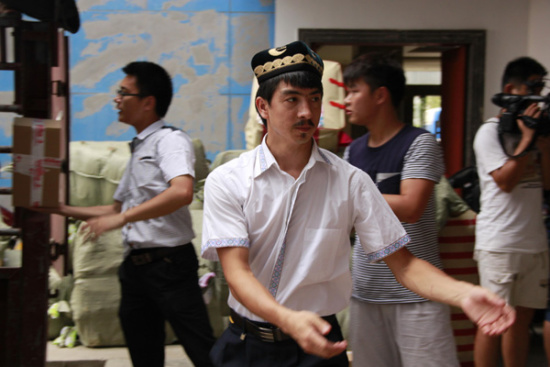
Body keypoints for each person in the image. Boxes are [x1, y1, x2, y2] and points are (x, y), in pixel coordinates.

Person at [201, 40, 515, 367]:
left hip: (320, 346)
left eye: (314, 99)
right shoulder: (229, 180)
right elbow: (237, 272)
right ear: (263, 107)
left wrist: (463, 294)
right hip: (248, 345)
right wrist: (288, 319)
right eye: (291, 100)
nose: (306, 112)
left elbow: (404, 265)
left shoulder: (350, 181)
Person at [44, 61, 215, 367]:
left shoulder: (170, 141)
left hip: (169, 265)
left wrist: (121, 219)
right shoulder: (139, 148)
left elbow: (181, 192)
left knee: (201, 348)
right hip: (135, 269)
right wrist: (59, 209)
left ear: (148, 102)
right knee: (143, 352)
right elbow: (113, 209)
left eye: (124, 93)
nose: (116, 99)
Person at [342, 52, 459, 367]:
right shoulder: (353, 151)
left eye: (354, 90)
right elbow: (346, 216)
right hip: (365, 293)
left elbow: (410, 207)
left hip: (416, 293)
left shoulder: (419, 143)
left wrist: (349, 196)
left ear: (381, 95)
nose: (346, 99)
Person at [473, 56, 550, 367]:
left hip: (534, 244)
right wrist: (528, 140)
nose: (537, 96)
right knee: (492, 323)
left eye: (540, 88)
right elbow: (505, 181)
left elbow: (548, 182)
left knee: (521, 323)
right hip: (499, 244)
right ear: (509, 89)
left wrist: (541, 143)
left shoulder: (540, 132)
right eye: (531, 88)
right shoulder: (489, 132)